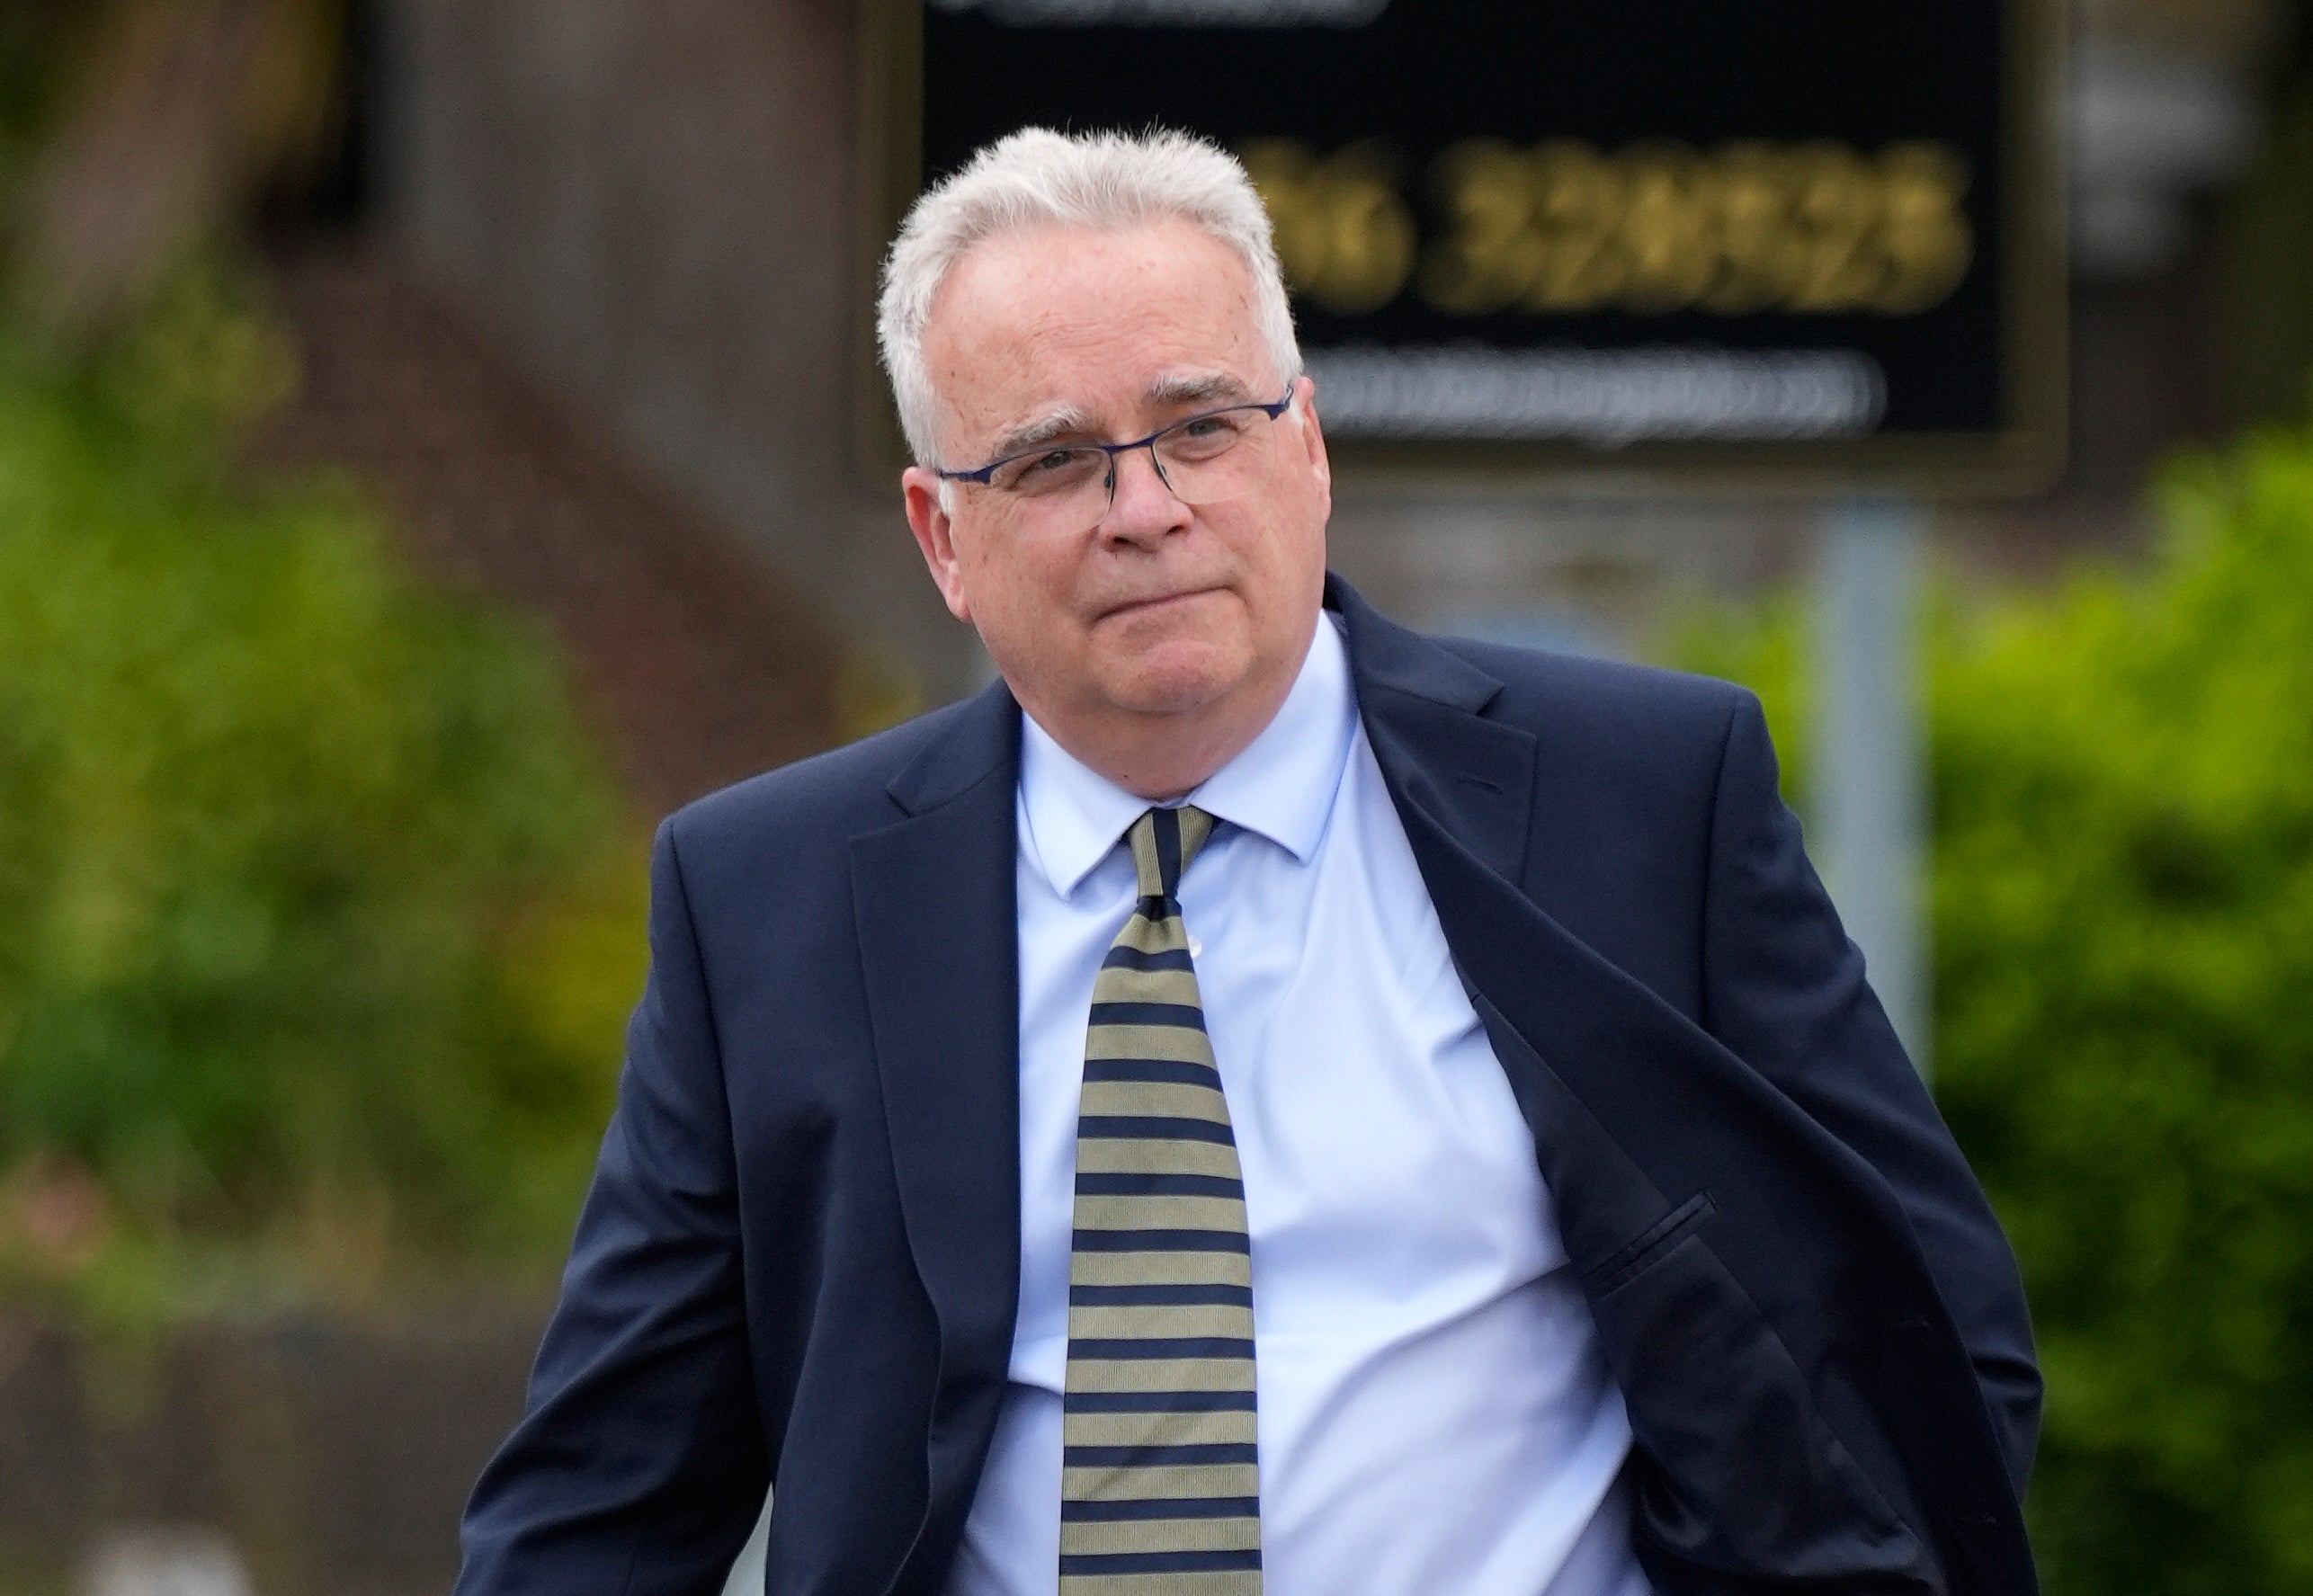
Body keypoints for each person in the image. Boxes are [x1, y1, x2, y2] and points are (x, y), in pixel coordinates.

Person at [454, 128, 2040, 1596]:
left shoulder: (1642, 803)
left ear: (1309, 449)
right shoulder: (767, 909)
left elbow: (1923, 1345)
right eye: (1057, 462)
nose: (1146, 509)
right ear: (943, 538)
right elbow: (596, 1516)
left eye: (1202, 425)